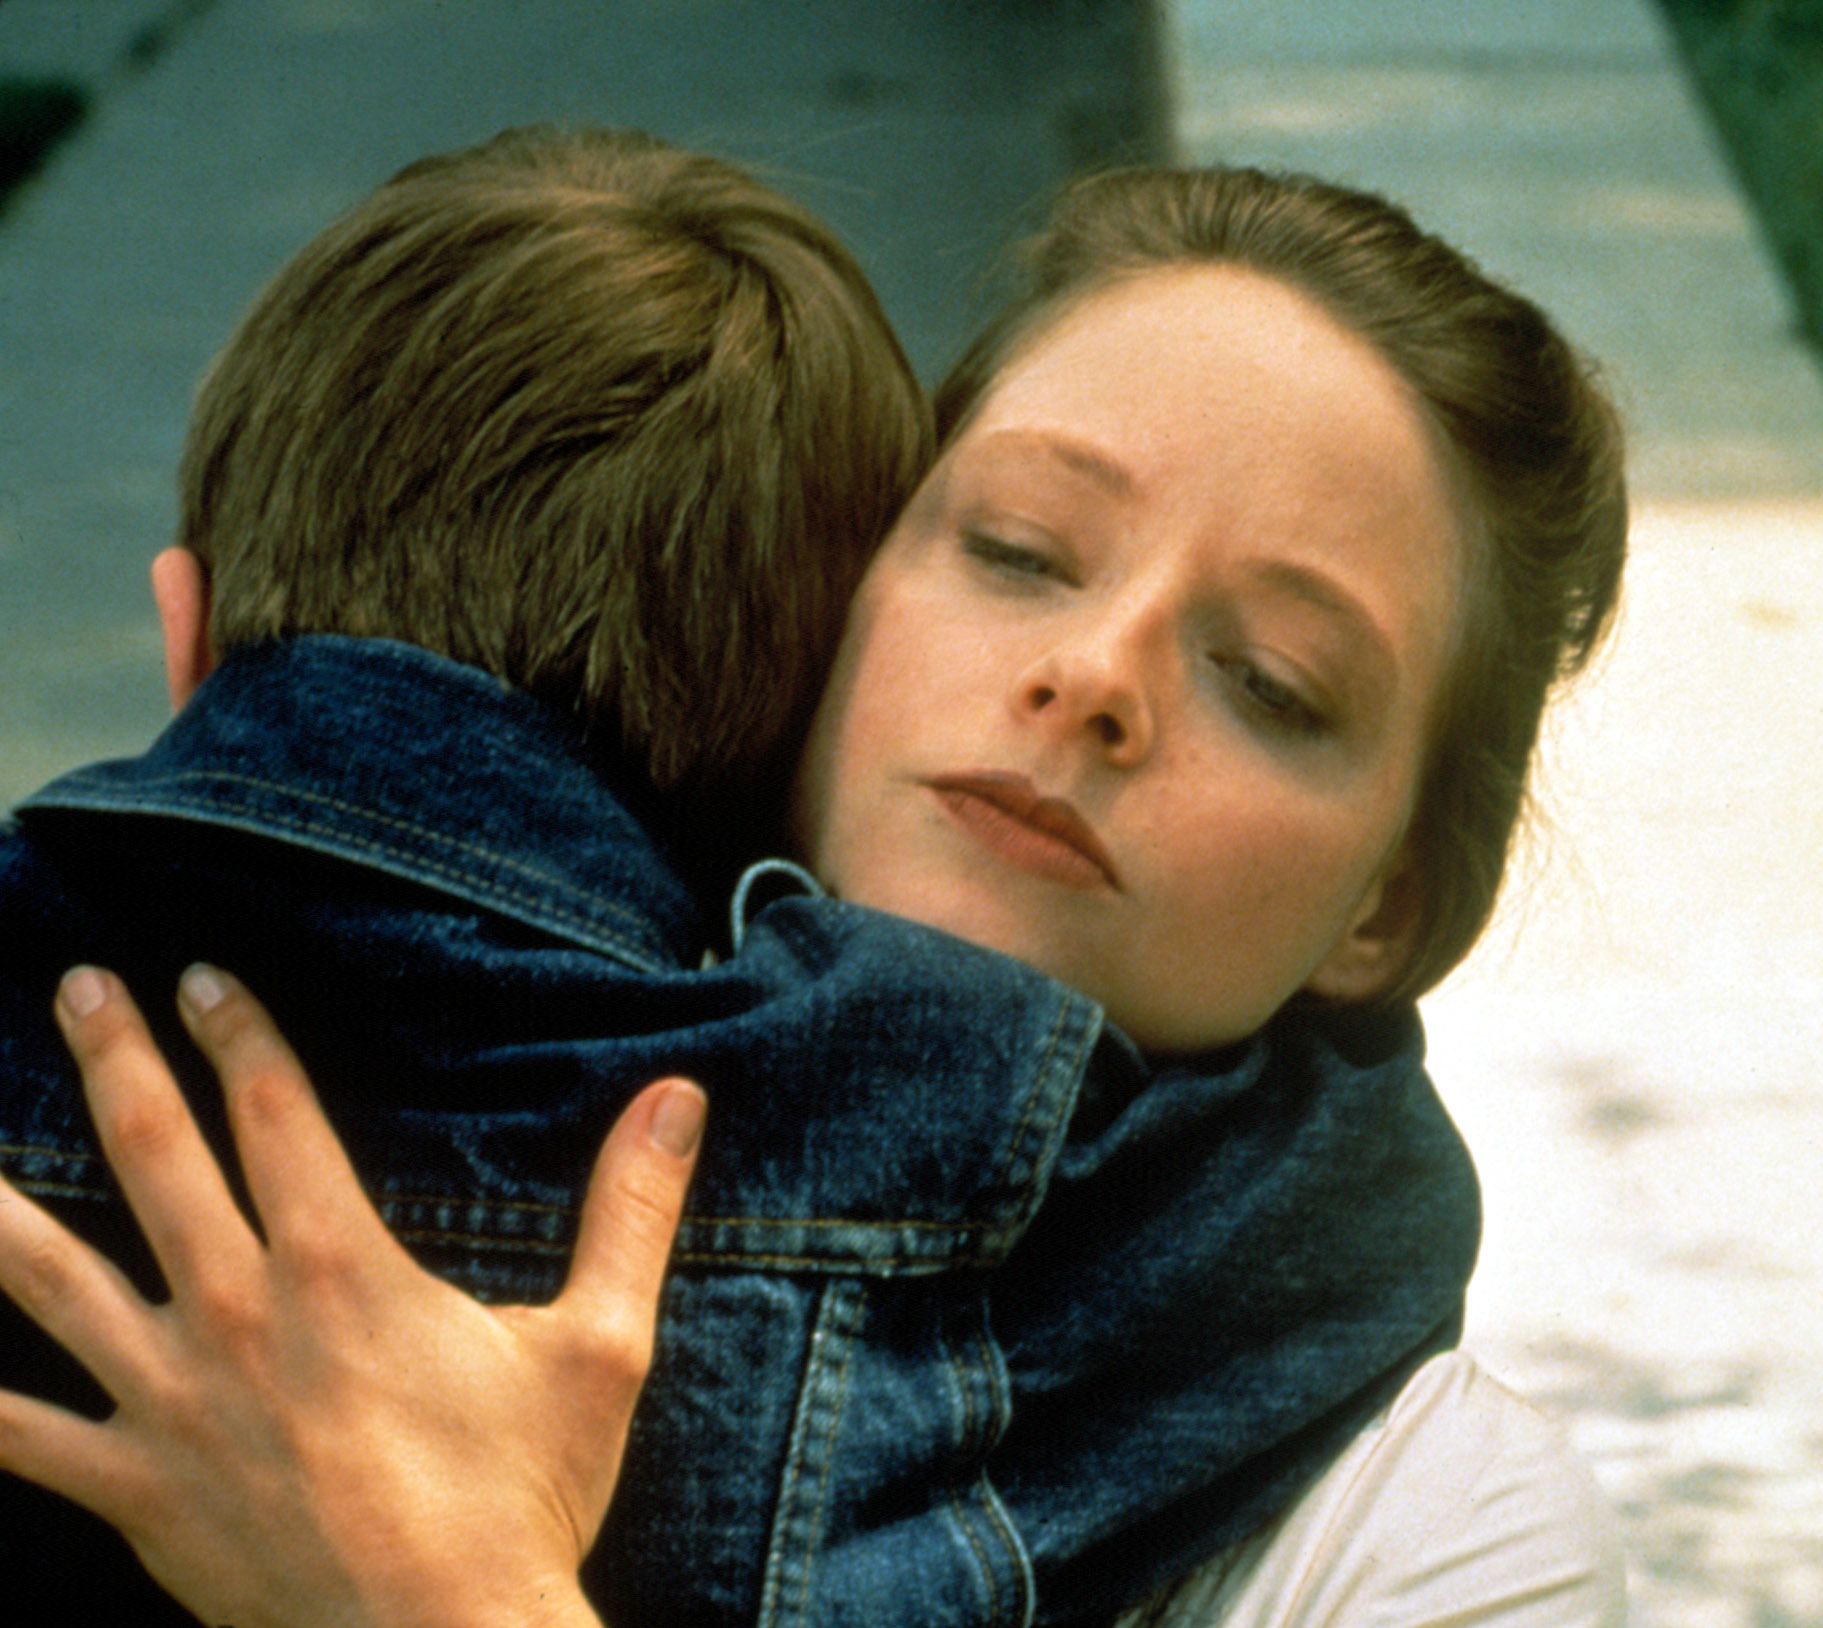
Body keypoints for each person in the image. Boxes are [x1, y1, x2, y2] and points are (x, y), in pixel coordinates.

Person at [0, 157, 1633, 1625]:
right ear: (833, 593)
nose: (1095, 674)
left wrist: (447, 1593)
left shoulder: (1440, 1533)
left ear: (1384, 905)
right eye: (1016, 548)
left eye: (1274, 682)